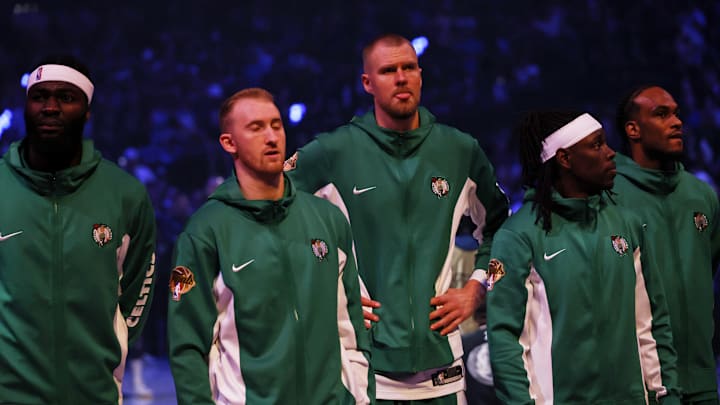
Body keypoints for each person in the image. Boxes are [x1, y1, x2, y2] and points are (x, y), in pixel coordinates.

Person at [286, 33, 509, 403]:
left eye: (409, 68)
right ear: (367, 83)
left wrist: (478, 287)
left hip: (444, 372)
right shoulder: (333, 152)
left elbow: (504, 227)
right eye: (389, 70)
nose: (401, 78)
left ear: (421, 74)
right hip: (364, 370)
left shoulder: (459, 150)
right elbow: (270, 212)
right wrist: (328, 287)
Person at [167, 88, 372, 404]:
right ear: (229, 143)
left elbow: (352, 328)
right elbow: (188, 344)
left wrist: (361, 396)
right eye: (256, 127)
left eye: (276, 125)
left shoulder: (328, 219)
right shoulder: (204, 231)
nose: (272, 136)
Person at [486, 110, 681, 404]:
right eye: (597, 145)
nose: (611, 153)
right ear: (564, 159)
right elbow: (505, 339)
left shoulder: (628, 224)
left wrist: (666, 395)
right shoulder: (517, 236)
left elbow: (650, 323)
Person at [0, 55, 157, 403]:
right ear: (26, 106)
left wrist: (102, 360)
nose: (50, 107)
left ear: (87, 111)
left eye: (66, 97)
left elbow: (137, 292)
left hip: (94, 395)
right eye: (39, 97)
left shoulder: (125, 194)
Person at [614, 85, 720, 403]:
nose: (676, 122)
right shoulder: (608, 195)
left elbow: (707, 268)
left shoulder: (702, 195)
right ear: (633, 129)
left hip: (702, 378)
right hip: (640, 383)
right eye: (661, 114)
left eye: (675, 113)